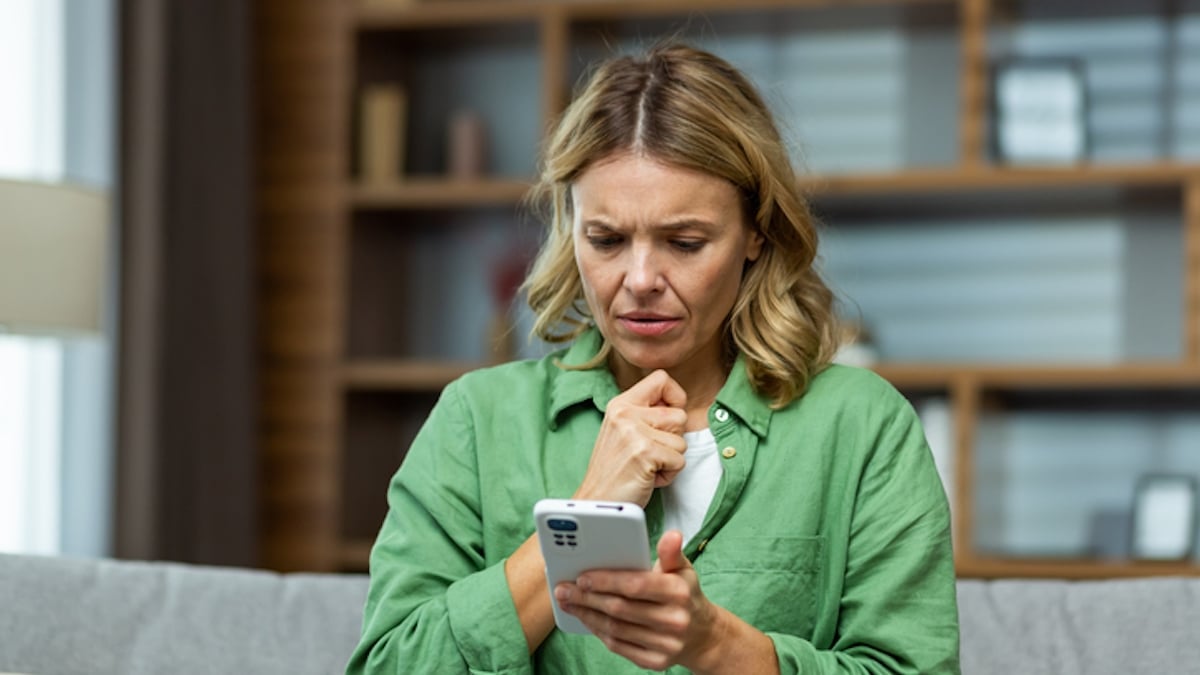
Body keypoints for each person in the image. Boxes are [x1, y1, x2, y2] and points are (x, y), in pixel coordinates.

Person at [345, 42, 959, 675]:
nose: (640, 279)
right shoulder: (477, 421)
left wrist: (718, 646)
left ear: (757, 233)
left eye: (685, 242)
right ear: (570, 228)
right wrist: (586, 512)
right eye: (606, 239)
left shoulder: (861, 427)